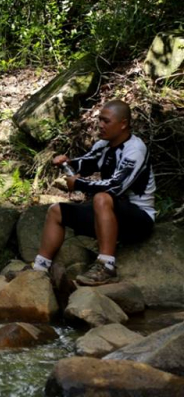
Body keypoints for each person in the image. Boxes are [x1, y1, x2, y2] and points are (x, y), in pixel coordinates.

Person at [32, 100, 156, 286]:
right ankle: (40, 269)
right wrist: (67, 163)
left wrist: (79, 184)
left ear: (123, 124)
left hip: (139, 220)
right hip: (107, 216)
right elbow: (87, 162)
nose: (100, 125)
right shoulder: (103, 145)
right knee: (56, 211)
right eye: (99, 120)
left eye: (106, 121)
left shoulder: (135, 149)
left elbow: (115, 186)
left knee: (102, 197)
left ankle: (106, 265)